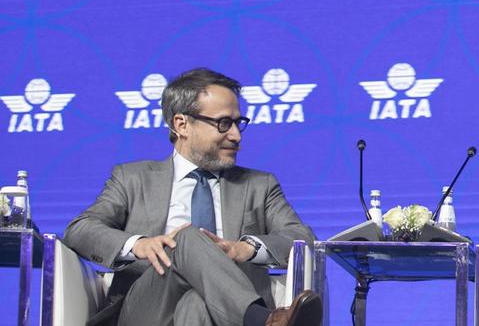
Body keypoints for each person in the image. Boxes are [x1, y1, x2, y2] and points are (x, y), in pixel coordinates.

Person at [64, 68, 322, 326]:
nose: (236, 135)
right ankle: (263, 320)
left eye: (238, 122)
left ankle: (256, 317)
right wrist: (138, 244)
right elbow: (80, 229)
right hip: (147, 310)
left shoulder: (260, 185)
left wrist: (246, 248)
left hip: (225, 317)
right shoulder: (132, 178)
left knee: (196, 302)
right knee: (186, 237)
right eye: (223, 123)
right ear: (181, 124)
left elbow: (302, 238)